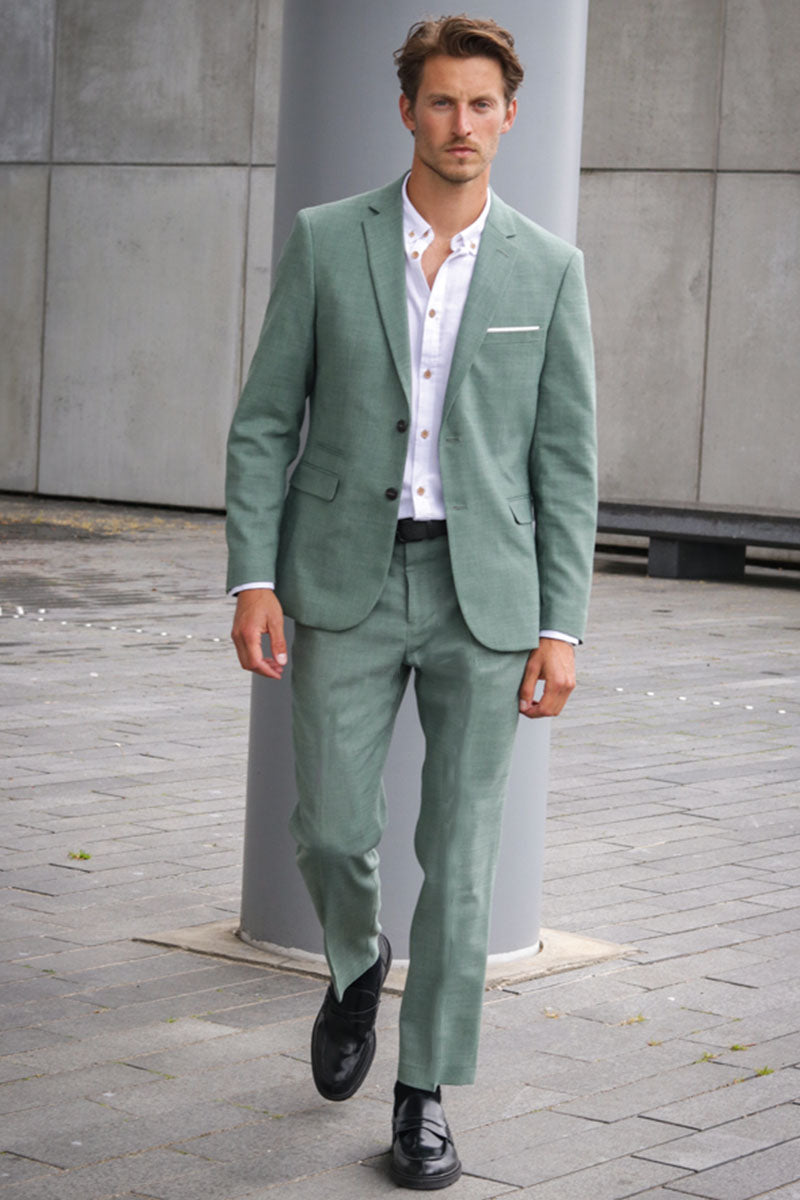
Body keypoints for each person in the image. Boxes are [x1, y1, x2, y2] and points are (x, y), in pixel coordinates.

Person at [226, 15, 596, 1190]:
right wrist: (251, 576)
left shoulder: (547, 268)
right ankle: (353, 964)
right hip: (342, 576)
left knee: (462, 854)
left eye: (481, 104)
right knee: (333, 829)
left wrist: (560, 625)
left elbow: (564, 463)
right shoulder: (327, 241)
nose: (460, 124)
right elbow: (264, 422)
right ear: (406, 111)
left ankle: (424, 1091)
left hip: (485, 594)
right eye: (441, 101)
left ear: (508, 115)